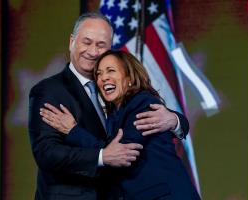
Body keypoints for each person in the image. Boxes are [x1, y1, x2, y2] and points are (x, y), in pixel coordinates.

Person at [29, 12, 189, 200]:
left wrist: (174, 120)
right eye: (87, 42)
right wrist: (101, 156)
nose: (93, 51)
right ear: (72, 41)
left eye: (101, 45)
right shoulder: (49, 90)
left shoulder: (116, 93)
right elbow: (46, 153)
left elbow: (132, 133)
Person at [41, 49, 200, 200]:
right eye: (99, 74)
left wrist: (72, 130)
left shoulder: (143, 102)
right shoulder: (114, 117)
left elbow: (122, 154)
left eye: (111, 70)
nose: (103, 78)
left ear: (129, 78)